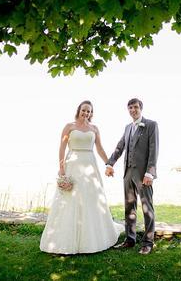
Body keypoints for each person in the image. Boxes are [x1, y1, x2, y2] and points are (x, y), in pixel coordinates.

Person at [40, 100, 122, 254]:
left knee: (91, 199)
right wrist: (62, 169)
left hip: (90, 166)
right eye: (84, 110)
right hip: (73, 166)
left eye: (89, 111)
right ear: (79, 110)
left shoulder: (94, 129)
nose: (86, 113)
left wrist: (108, 164)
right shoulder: (69, 127)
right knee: (70, 200)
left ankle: (92, 239)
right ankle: (64, 239)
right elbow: (62, 148)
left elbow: (99, 149)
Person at [105, 98, 159, 255]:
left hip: (144, 175)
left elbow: (154, 149)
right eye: (130, 108)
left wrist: (150, 172)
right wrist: (110, 163)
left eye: (135, 107)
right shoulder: (128, 127)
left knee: (147, 208)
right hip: (127, 173)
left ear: (141, 108)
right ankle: (130, 239)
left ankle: (148, 242)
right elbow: (120, 146)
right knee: (129, 207)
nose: (133, 110)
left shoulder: (151, 125)